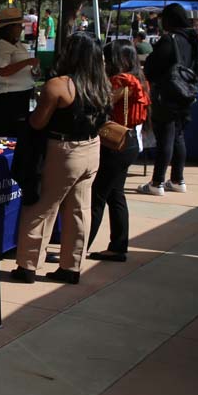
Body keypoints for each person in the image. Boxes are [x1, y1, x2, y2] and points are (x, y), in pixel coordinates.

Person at [11, 34, 111, 285]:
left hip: (65, 150)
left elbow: (37, 122)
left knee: (42, 208)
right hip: (92, 148)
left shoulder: (59, 85)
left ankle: (28, 265)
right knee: (80, 209)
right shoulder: (101, 83)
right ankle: (71, 266)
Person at [87, 40, 147, 262]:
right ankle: (118, 245)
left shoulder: (121, 81)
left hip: (115, 142)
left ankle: (78, 247)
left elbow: (101, 103)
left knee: (97, 197)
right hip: (130, 140)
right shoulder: (138, 79)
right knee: (115, 195)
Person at [140, 4, 198, 196]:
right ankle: (177, 179)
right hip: (186, 93)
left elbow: (152, 67)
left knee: (165, 137)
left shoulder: (169, 40)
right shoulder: (192, 40)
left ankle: (157, 182)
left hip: (167, 95)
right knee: (178, 136)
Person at [0, 7, 39, 137]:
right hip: (9, 97)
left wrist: (32, 71)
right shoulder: (0, 45)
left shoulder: (17, 44)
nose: (22, 28)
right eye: (19, 25)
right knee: (10, 133)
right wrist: (27, 62)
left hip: (22, 94)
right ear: (10, 27)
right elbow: (2, 71)